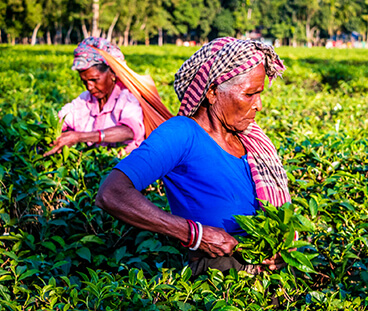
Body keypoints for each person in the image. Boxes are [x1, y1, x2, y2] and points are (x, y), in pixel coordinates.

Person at [96, 37, 291, 276]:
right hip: (219, 274)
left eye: (260, 93)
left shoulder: (249, 138)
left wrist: (282, 251)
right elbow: (111, 193)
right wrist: (195, 234)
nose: (259, 105)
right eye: (250, 94)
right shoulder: (181, 133)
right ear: (212, 92)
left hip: (265, 276)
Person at [44, 37, 145, 156]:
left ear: (112, 73)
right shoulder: (85, 100)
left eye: (94, 80)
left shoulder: (127, 98)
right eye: (84, 82)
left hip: (125, 165)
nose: (89, 87)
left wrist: (80, 137)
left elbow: (129, 131)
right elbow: (60, 119)